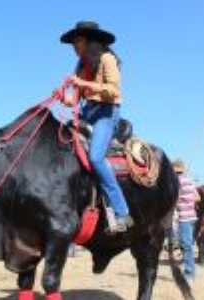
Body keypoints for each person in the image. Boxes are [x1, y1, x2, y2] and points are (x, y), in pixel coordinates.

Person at [60, 21, 132, 232]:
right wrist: (66, 98)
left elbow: (114, 91)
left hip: (106, 112)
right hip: (88, 112)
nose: (74, 46)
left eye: (77, 41)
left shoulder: (107, 59)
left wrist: (83, 85)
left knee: (95, 157)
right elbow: (76, 100)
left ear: (89, 42)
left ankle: (122, 213)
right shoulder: (81, 66)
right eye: (73, 42)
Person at [173, 160, 199, 284]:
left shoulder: (176, 182)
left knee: (186, 245)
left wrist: (179, 203)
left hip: (184, 218)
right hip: (193, 217)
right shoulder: (190, 181)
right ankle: (191, 269)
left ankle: (189, 274)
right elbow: (197, 197)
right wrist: (189, 201)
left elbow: (175, 199)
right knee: (187, 244)